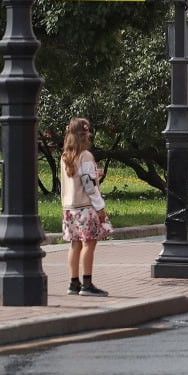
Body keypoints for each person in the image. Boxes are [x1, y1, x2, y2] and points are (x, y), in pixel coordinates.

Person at [60, 117, 112, 296]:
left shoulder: (65, 156)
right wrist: (100, 209)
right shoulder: (86, 155)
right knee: (89, 244)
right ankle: (87, 284)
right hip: (86, 207)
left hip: (69, 208)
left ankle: (73, 284)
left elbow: (78, 179)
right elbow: (89, 186)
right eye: (87, 133)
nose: (89, 136)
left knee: (75, 245)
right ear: (84, 135)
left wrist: (94, 173)